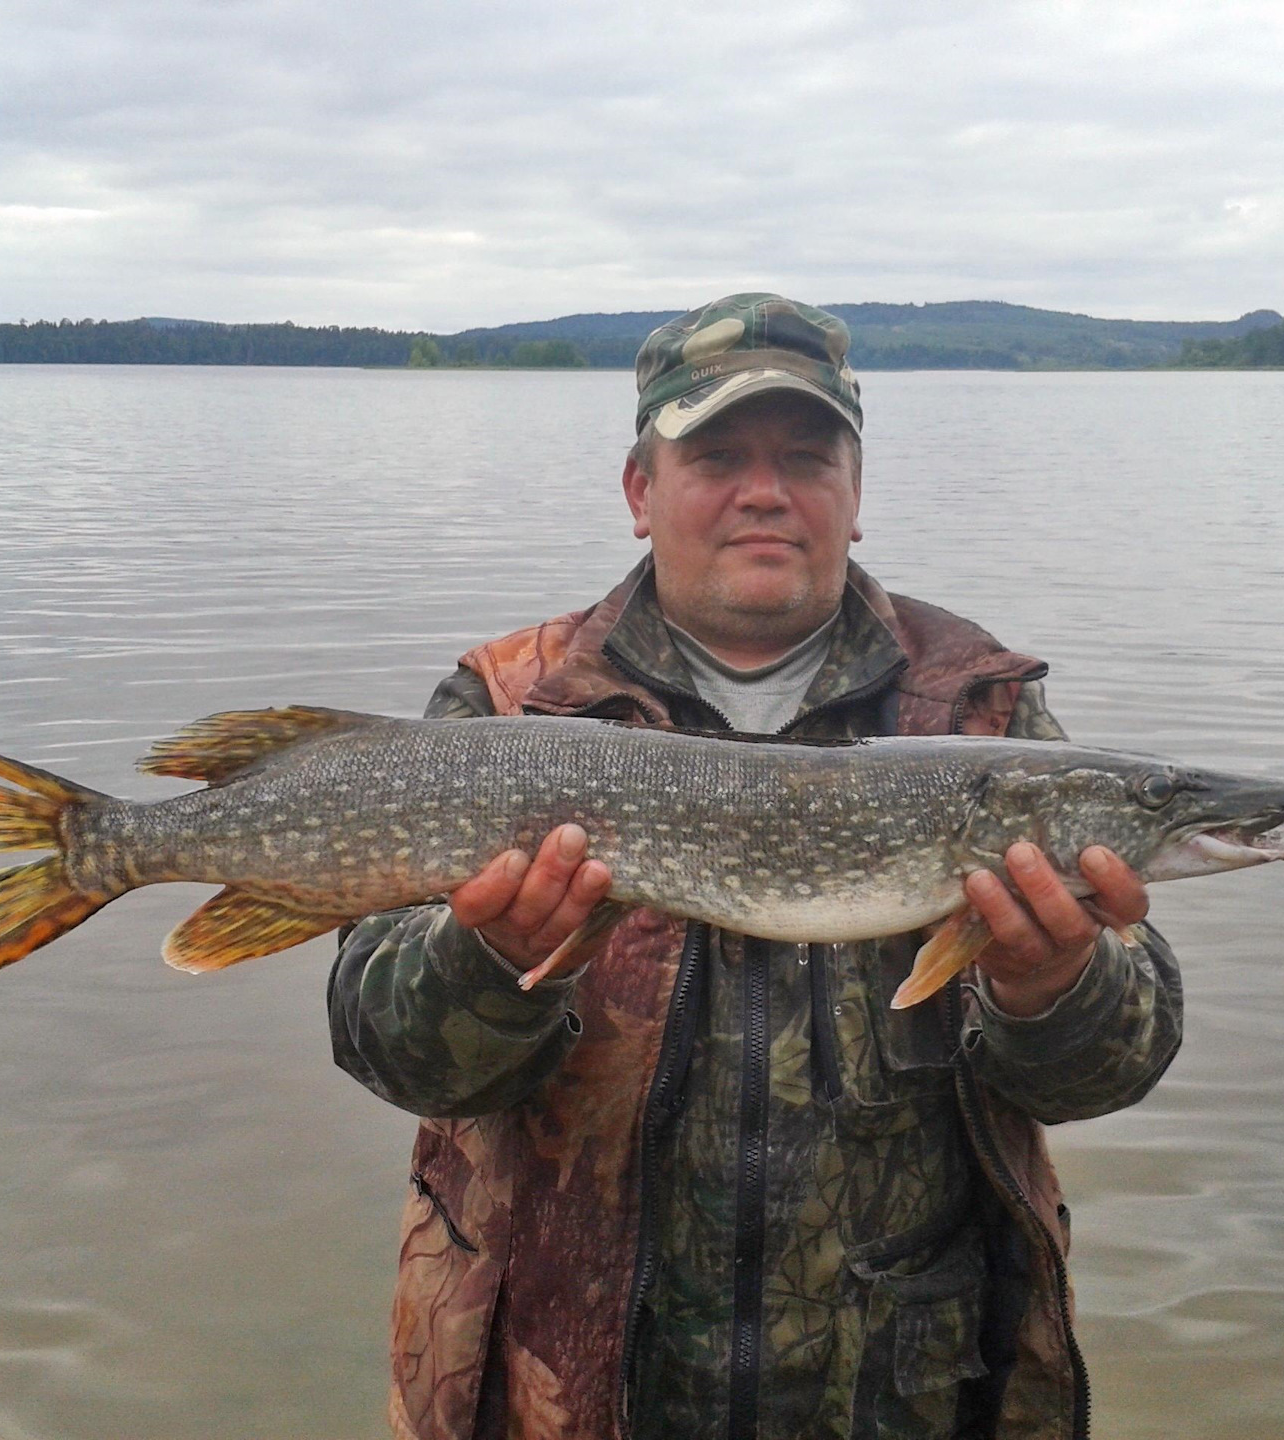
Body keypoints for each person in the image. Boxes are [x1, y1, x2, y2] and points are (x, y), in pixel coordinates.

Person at [328, 294, 1183, 1440]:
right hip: (563, 1392)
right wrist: (480, 967)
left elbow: (1107, 1073)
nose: (765, 491)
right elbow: (386, 1048)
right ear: (642, 491)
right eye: (718, 455)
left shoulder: (981, 713)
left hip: (903, 1390)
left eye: (807, 457)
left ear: (856, 494)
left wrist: (1053, 990)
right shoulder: (509, 701)